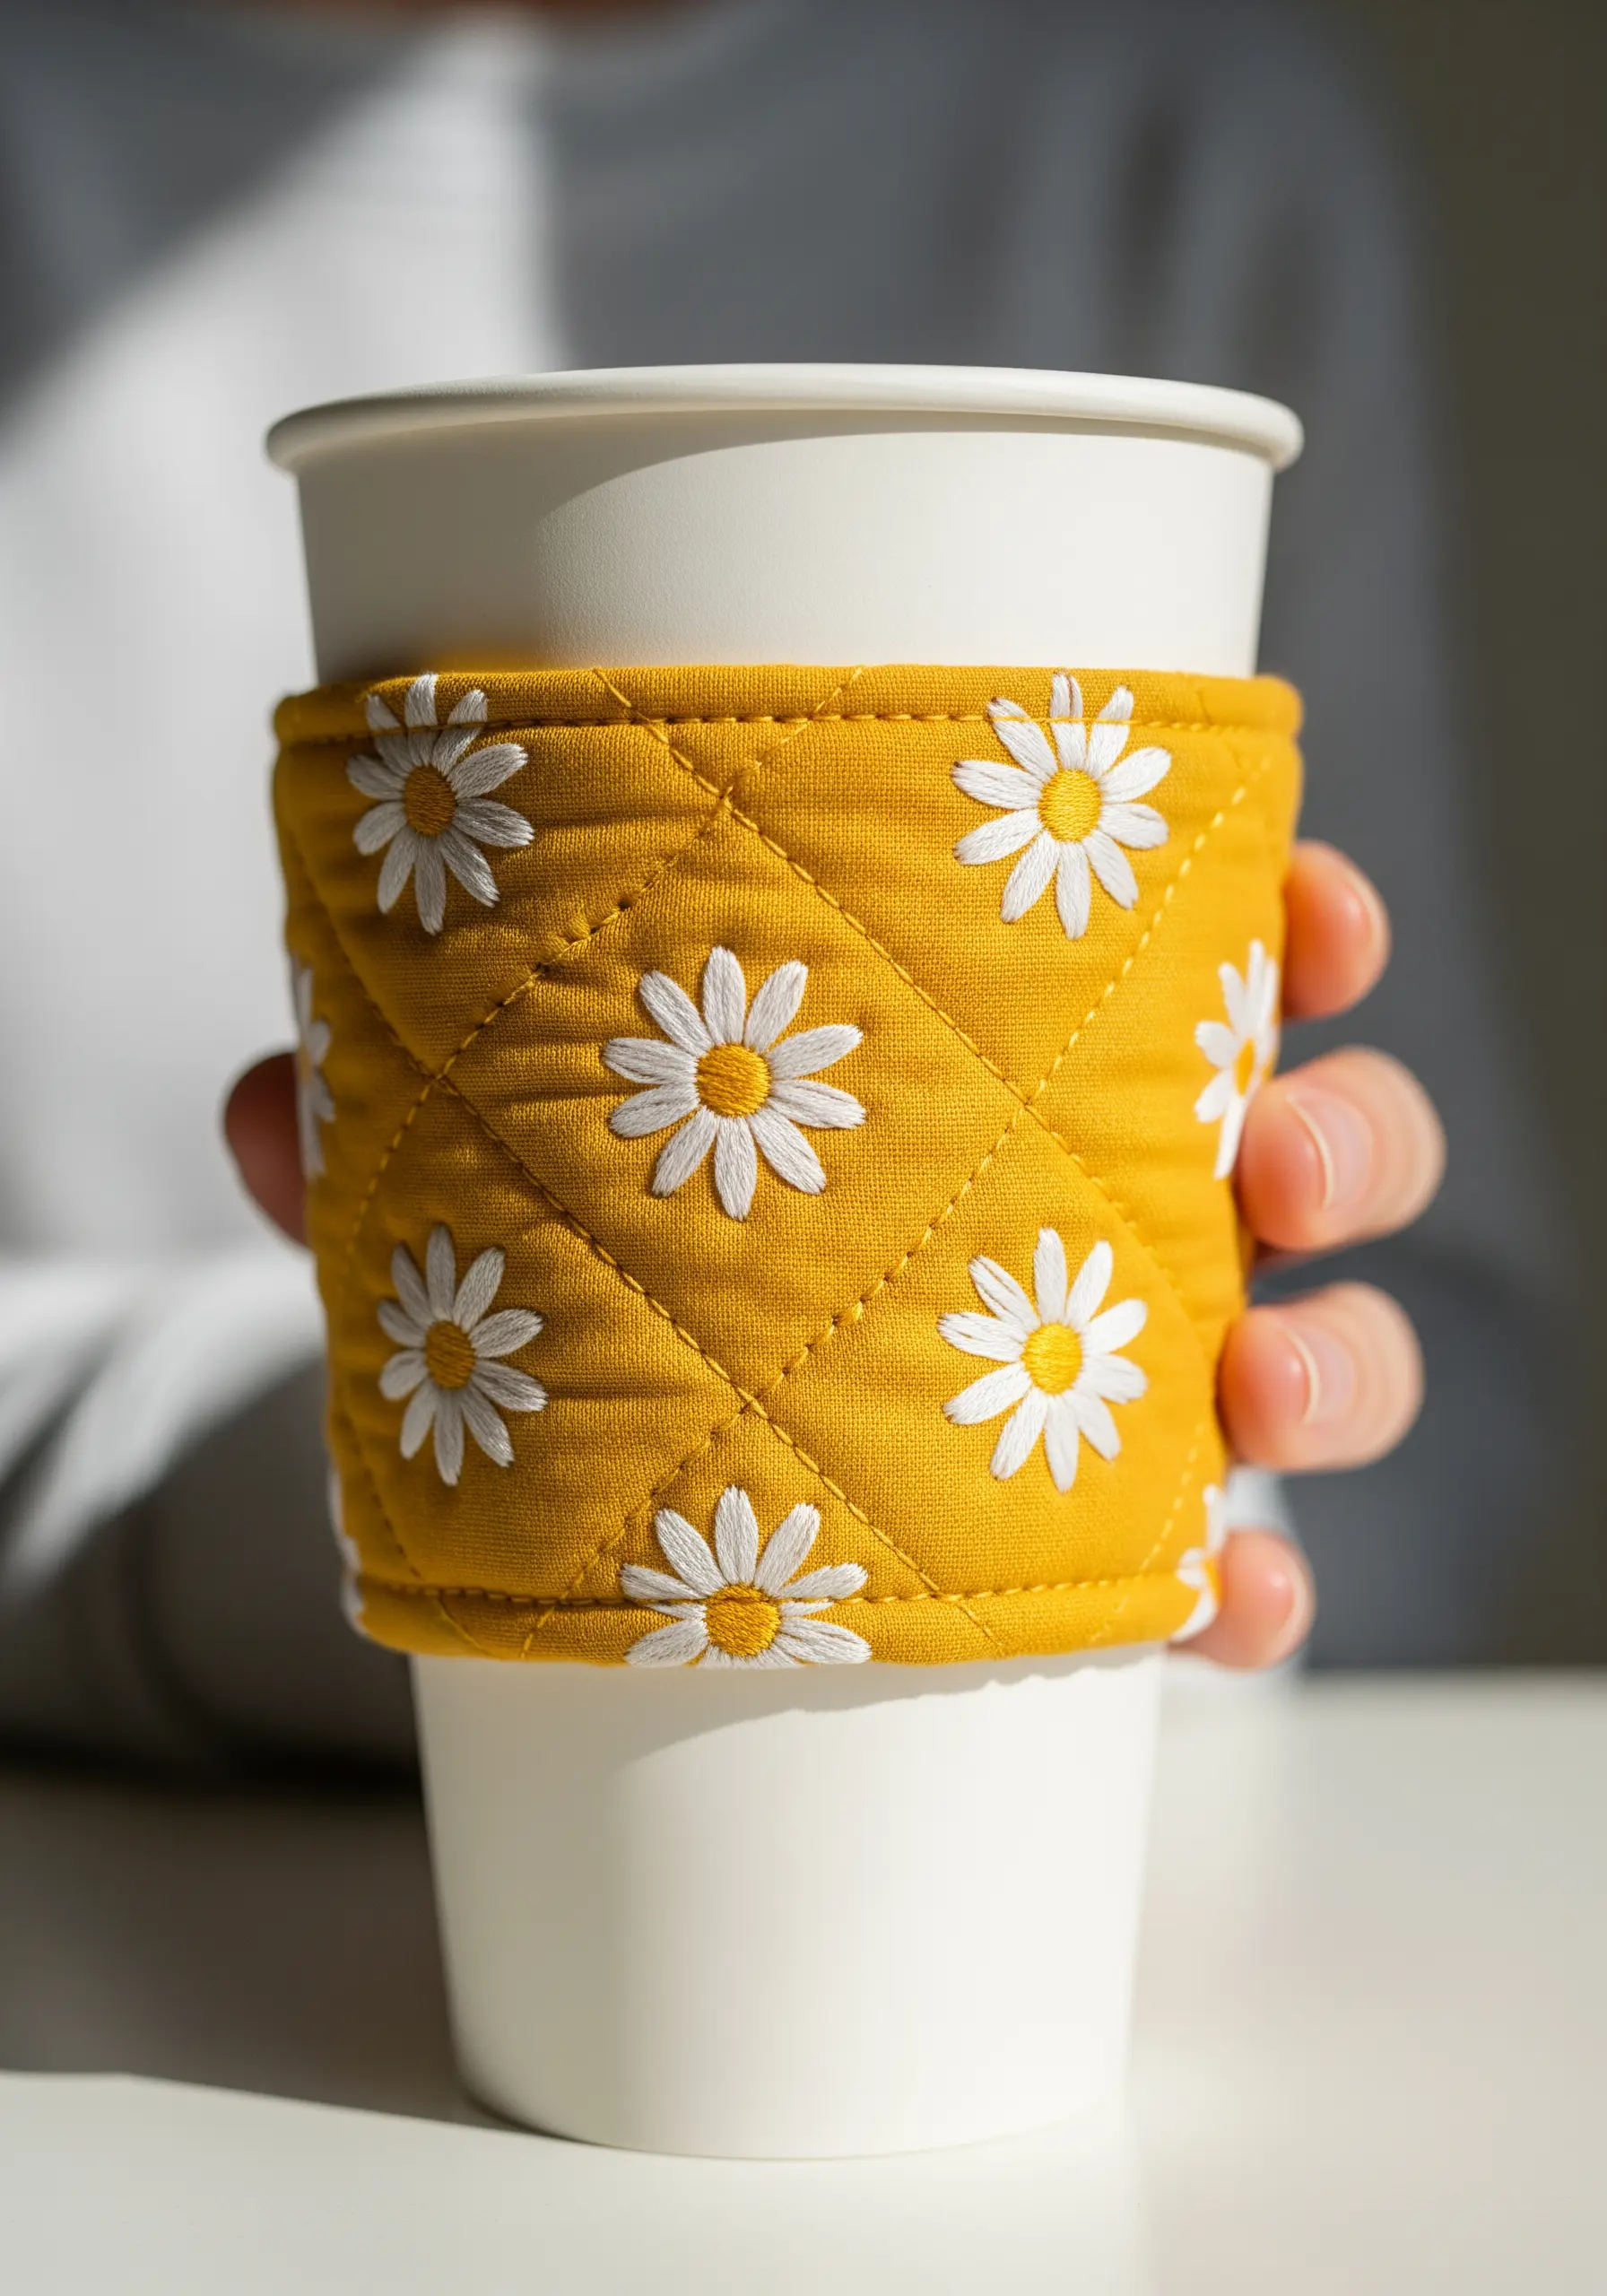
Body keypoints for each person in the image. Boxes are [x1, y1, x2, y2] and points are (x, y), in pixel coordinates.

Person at [0, 0, 1542, 1770]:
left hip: (1100, 1839)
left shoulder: (1172, 136)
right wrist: (379, 1494)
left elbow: (1441, 1353)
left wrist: (1152, 1496)